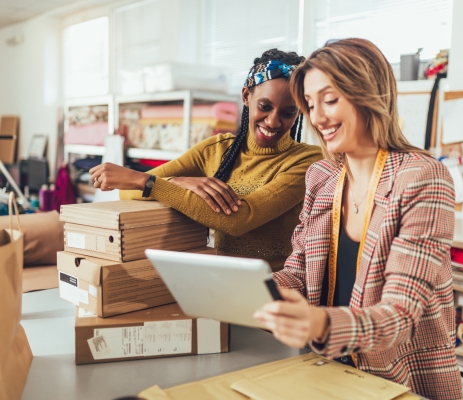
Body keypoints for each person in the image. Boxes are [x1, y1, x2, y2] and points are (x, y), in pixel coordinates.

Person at [254, 38, 463, 400]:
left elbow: (400, 315)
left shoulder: (422, 178)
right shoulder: (322, 177)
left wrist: (318, 324)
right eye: (311, 104)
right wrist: (253, 289)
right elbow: (299, 272)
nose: (318, 118)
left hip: (400, 381)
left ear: (368, 93)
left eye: (330, 100)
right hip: (327, 372)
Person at [89, 49, 322, 271]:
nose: (273, 121)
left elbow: (240, 219)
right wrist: (178, 181)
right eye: (265, 106)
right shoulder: (216, 149)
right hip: (218, 284)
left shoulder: (307, 161)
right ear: (246, 96)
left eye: (288, 113)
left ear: (299, 112)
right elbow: (128, 190)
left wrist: (152, 183)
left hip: (276, 291)